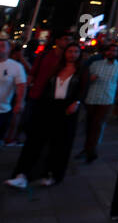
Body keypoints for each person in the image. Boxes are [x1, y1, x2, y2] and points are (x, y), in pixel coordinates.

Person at [7, 43, 86, 188]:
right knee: (35, 140)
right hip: (48, 106)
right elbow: (46, 87)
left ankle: (52, 174)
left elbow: (83, 90)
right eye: (70, 51)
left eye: (76, 52)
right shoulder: (56, 69)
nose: (73, 54)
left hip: (68, 109)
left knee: (60, 143)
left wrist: (77, 102)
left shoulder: (82, 72)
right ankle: (22, 174)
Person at [80, 42, 118, 162]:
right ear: (105, 52)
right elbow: (84, 80)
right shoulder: (95, 64)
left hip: (106, 99)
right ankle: (87, 148)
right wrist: (90, 79)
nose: (112, 53)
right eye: (110, 50)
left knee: (97, 125)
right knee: (89, 124)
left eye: (115, 51)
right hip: (91, 98)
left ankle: (91, 150)